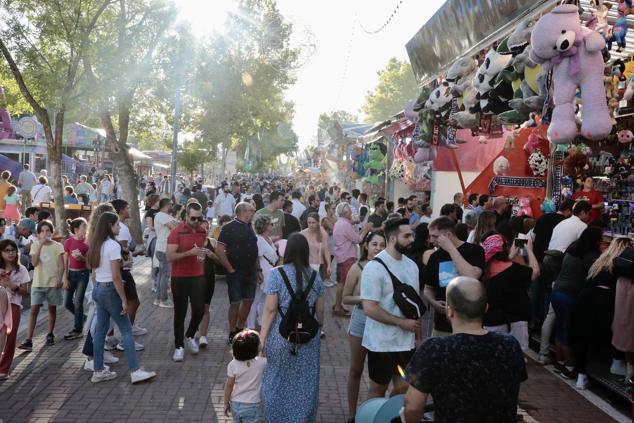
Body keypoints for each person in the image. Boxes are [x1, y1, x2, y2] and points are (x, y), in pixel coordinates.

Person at [403, 277, 527, 423]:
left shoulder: (434, 349)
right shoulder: (509, 345)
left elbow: (412, 407)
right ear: (486, 308)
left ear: (449, 311)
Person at [259, 233, 325, 422]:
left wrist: (262, 339)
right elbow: (320, 313)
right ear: (306, 252)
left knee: (275, 380)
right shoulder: (315, 276)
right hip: (307, 339)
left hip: (280, 336)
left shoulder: (276, 274)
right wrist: (319, 326)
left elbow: (270, 309)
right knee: (305, 383)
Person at [87, 212, 156, 384]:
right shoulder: (112, 245)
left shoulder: (97, 244)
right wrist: (124, 300)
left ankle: (98, 370)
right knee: (126, 330)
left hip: (99, 290)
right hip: (110, 290)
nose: (119, 227)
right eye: (117, 224)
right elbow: (116, 276)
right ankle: (135, 371)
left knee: (100, 331)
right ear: (109, 226)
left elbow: (94, 273)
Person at [360, 218, 420, 399]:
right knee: (378, 389)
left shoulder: (412, 266)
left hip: (405, 344)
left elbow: (414, 307)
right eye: (407, 235)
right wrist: (401, 323)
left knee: (403, 387)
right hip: (381, 344)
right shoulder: (374, 267)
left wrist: (418, 338)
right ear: (393, 238)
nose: (412, 239)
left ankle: (388, 415)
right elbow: (369, 308)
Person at [570, 236, 632, 389]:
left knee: (583, 338)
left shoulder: (600, 260)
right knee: (608, 335)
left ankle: (581, 375)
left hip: (585, 299)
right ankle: (615, 365)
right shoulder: (621, 265)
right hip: (605, 302)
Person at [341, 231, 385, 420]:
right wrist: (366, 299)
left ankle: (371, 414)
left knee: (379, 374)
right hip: (360, 319)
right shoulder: (357, 267)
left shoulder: (388, 267)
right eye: (374, 244)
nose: (378, 248)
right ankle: (352, 415)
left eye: (382, 245)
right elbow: (345, 298)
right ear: (366, 246)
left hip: (382, 322)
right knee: (355, 369)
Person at [551, 226, 602, 378]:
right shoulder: (589, 255)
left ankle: (559, 362)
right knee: (567, 331)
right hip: (570, 296)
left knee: (560, 327)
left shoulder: (573, 248)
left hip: (557, 292)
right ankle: (569, 366)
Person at [424, 217, 485, 337]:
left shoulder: (475, 250)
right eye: (430, 236)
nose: (432, 240)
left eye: (435, 236)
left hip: (471, 325)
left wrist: (450, 248)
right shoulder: (435, 257)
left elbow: (472, 276)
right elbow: (428, 288)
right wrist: (433, 302)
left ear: (448, 235)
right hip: (442, 325)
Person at [166, 202, 210, 362]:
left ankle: (190, 334)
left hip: (198, 275)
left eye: (200, 218)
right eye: (193, 218)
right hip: (180, 277)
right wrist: (188, 253)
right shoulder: (176, 232)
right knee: (180, 313)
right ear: (186, 216)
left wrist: (201, 255)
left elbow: (202, 248)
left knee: (199, 310)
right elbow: (169, 256)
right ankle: (179, 346)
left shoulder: (202, 231)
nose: (197, 221)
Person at [481, 233, 540, 351]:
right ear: (505, 248)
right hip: (516, 321)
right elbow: (536, 271)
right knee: (516, 357)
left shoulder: (483, 270)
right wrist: (529, 250)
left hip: (492, 321)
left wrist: (511, 254)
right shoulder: (516, 270)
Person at [215, 202, 260, 344]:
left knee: (249, 301)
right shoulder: (228, 227)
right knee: (235, 302)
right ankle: (232, 331)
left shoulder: (250, 227)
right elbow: (219, 249)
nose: (253, 212)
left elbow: (255, 251)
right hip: (236, 272)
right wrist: (229, 268)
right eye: (251, 210)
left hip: (250, 271)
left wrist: (258, 269)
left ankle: (240, 329)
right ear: (243, 212)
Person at [18, 220, 64, 351]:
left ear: (52, 231)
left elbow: (62, 265)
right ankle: (28, 340)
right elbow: (35, 262)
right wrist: (40, 246)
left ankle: (50, 334)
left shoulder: (58, 246)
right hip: (38, 283)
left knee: (52, 309)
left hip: (52, 284)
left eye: (48, 230)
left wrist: (60, 279)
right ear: (38, 234)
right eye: (42, 231)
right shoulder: (35, 245)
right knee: (34, 310)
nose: (45, 233)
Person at [112, 199, 146, 344]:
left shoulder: (119, 227)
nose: (129, 210)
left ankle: (117, 334)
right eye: (127, 207)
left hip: (119, 270)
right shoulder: (122, 228)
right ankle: (126, 333)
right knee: (132, 302)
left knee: (118, 305)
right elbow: (122, 251)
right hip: (122, 271)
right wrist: (128, 259)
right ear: (120, 210)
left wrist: (135, 253)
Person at [333, 202, 372, 317]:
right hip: (346, 257)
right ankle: (338, 307)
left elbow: (353, 237)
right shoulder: (344, 224)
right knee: (344, 283)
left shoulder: (341, 222)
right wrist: (365, 229)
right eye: (350, 211)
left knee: (341, 282)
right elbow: (358, 240)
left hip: (342, 256)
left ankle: (338, 305)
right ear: (346, 213)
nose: (352, 213)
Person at [0, 239, 31, 380]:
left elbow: (26, 292)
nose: (11, 253)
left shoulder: (22, 270)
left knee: (10, 337)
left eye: (13, 250)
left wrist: (13, 286)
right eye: (7, 250)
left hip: (14, 306)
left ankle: (4, 369)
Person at [223, 329, 267, 423]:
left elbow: (229, 385)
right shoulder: (262, 363)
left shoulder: (232, 365)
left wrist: (226, 402)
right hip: (252, 404)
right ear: (256, 349)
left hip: (235, 403)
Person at [247, 215, 279, 330]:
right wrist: (259, 272)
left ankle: (261, 320)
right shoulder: (259, 239)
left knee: (263, 299)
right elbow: (256, 257)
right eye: (271, 224)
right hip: (263, 272)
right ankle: (250, 325)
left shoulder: (268, 239)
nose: (272, 226)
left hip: (269, 271)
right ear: (265, 226)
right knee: (255, 299)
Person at [61, 217, 90, 340]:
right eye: (84, 227)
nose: (86, 229)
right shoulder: (68, 242)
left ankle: (77, 329)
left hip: (83, 274)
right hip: (71, 275)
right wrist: (65, 278)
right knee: (67, 303)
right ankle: (82, 317)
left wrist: (82, 259)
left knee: (78, 302)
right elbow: (65, 261)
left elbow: (90, 263)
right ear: (76, 229)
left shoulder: (88, 243)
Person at [153, 198, 178, 308]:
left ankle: (158, 299)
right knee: (165, 276)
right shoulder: (161, 215)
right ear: (167, 205)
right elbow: (175, 227)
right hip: (164, 249)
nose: (173, 206)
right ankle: (164, 300)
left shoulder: (165, 216)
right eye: (171, 204)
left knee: (162, 275)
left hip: (163, 249)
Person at [301, 212, 331, 281]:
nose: (311, 225)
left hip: (319, 266)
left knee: (318, 288)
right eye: (309, 222)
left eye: (313, 222)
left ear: (318, 222)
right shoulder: (302, 234)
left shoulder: (323, 234)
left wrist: (329, 265)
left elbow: (326, 250)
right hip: (306, 266)